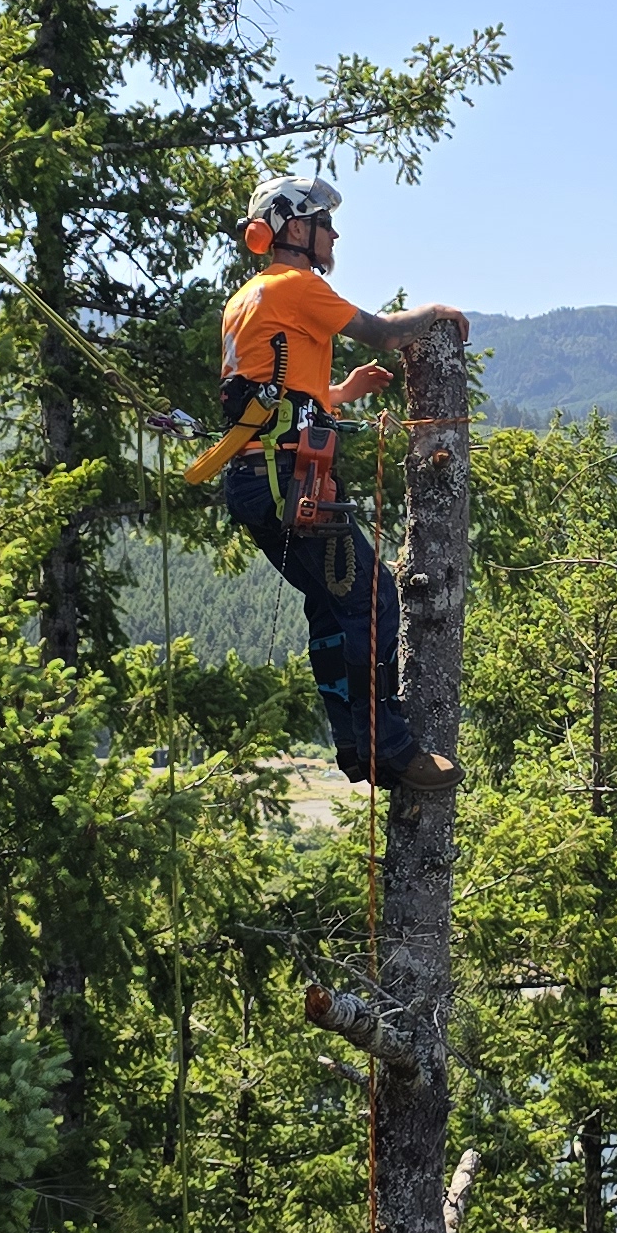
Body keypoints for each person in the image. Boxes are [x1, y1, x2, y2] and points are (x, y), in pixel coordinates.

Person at [184, 172, 462, 791]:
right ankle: (389, 751)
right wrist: (437, 314)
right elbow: (388, 331)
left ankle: (357, 748)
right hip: (291, 485)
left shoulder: (250, 297)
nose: (334, 234)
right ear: (296, 230)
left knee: (334, 608)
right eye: (325, 223)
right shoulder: (296, 286)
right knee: (369, 599)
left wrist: (341, 392)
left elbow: (276, 399)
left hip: (261, 479)